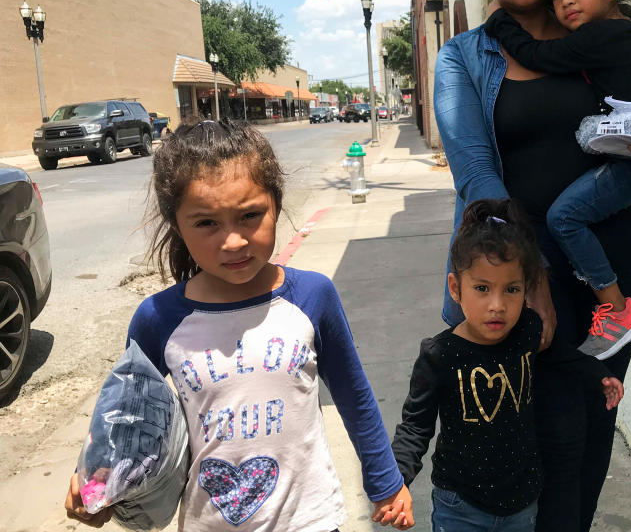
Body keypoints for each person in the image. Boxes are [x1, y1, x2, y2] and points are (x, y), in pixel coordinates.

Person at [434, 0, 631, 530]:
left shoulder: (596, 33)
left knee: (592, 429)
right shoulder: (465, 57)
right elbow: (478, 178)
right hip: (525, 279)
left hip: (616, 269)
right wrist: (537, 283)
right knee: (542, 437)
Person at [64, 119, 414, 531]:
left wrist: (386, 482)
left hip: (309, 520)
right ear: (177, 224)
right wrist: (96, 478)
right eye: (207, 223)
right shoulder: (157, 319)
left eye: (249, 215)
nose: (233, 241)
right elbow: (126, 416)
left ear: (276, 206)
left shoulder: (312, 297)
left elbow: (354, 395)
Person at [484, 0, 631, 360]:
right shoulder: (625, 28)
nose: (566, 2)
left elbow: (536, 53)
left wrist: (498, 22)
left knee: (565, 217)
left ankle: (615, 308)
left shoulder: (597, 38)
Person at [391, 198, 624, 532]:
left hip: (521, 502)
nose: (497, 305)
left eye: (511, 289)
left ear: (526, 289)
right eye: (482, 289)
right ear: (456, 288)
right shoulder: (439, 355)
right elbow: (415, 426)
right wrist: (396, 479)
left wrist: (599, 376)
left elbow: (561, 355)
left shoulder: (527, 329)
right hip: (461, 505)